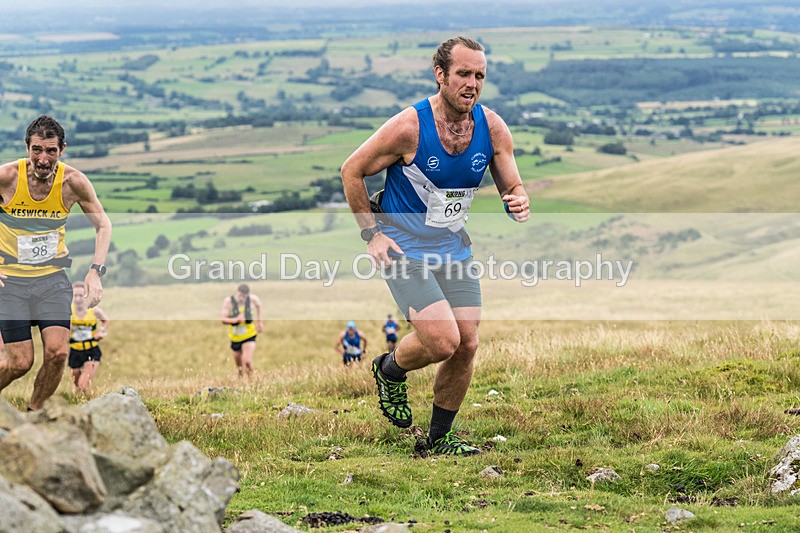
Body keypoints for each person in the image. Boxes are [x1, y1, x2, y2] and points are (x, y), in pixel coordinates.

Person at [341, 36, 530, 456]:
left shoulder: (493, 127)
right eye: (464, 73)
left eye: (480, 75)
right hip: (402, 249)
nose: (473, 83)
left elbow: (512, 183)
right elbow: (351, 170)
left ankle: (440, 438)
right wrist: (371, 235)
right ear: (441, 74)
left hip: (453, 248)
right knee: (443, 341)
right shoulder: (410, 127)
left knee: (467, 343)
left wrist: (518, 198)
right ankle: (389, 370)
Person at [0, 115, 112, 411]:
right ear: (27, 148)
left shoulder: (73, 182)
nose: (43, 158)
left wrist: (95, 272)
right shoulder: (7, 177)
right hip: (10, 281)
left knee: (58, 353)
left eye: (51, 150)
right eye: (37, 149)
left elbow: (103, 225)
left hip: (51, 280)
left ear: (62, 149)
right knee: (20, 362)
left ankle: (34, 414)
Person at [68, 281, 110, 395]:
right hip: (75, 351)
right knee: (77, 386)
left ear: (86, 296)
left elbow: (106, 321)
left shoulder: (94, 310)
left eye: (81, 295)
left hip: (91, 350)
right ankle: (87, 400)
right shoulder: (67, 312)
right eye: (75, 295)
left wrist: (101, 331)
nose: (78, 299)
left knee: (82, 385)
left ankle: (87, 402)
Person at [221, 283, 263, 378]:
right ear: (237, 293)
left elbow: (259, 305)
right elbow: (223, 319)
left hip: (249, 335)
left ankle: (252, 380)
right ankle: (241, 381)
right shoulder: (228, 301)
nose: (242, 299)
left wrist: (259, 322)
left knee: (247, 361)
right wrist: (235, 320)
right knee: (239, 366)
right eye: (240, 296)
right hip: (235, 337)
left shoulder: (252, 299)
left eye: (244, 296)